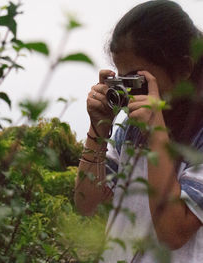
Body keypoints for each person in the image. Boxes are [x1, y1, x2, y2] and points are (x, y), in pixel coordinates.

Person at [74, 1, 203, 262]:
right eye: (123, 80)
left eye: (138, 80)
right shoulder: (131, 130)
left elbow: (173, 232)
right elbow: (86, 203)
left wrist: (157, 133)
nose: (130, 92)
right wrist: (98, 130)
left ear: (185, 69)